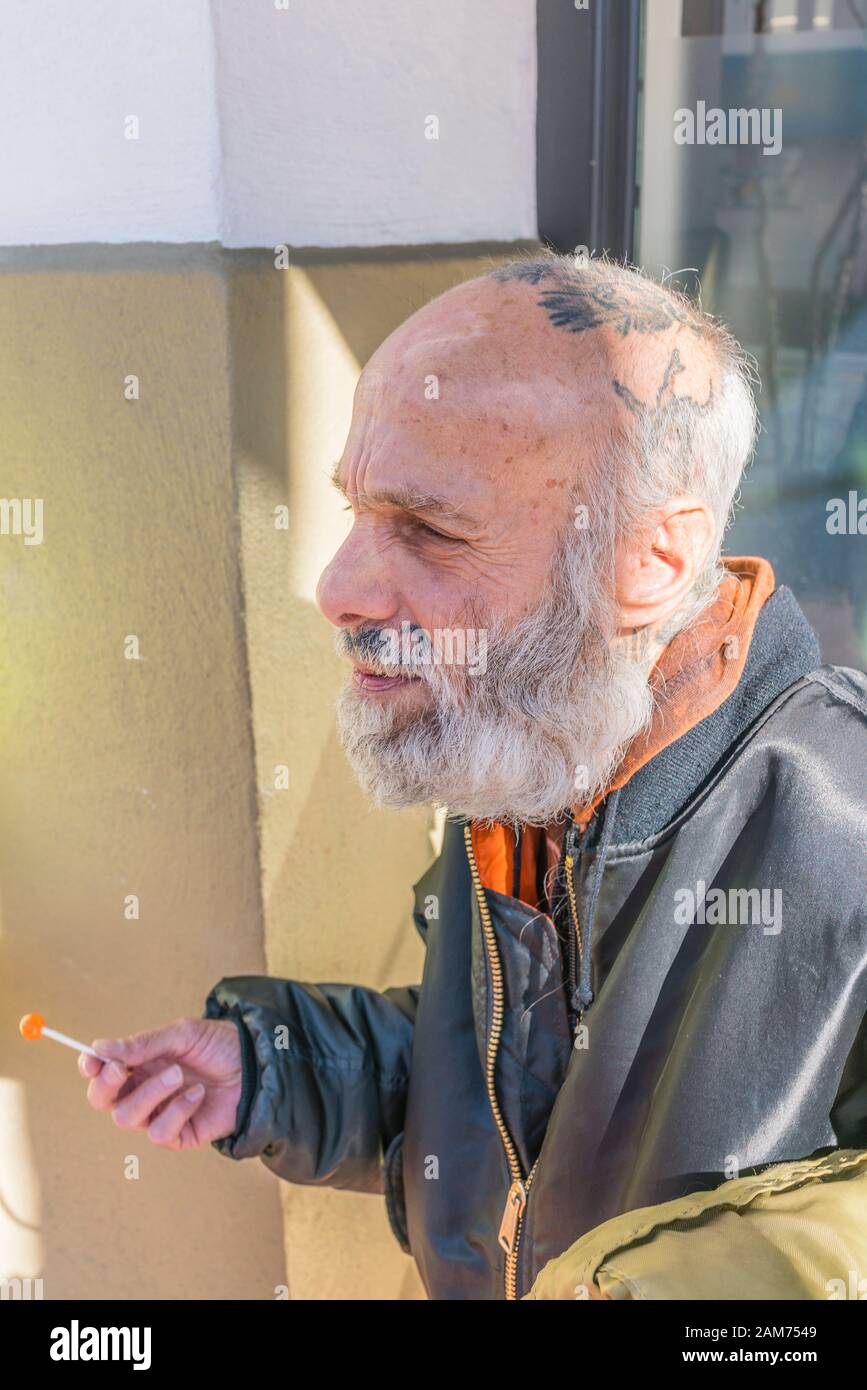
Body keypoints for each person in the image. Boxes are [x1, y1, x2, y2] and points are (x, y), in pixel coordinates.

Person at [81, 252, 867, 1301]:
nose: (337, 587)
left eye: (431, 528)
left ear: (654, 561)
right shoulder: (537, 741)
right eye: (357, 510)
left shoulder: (844, 824)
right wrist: (278, 1069)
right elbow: (523, 1098)